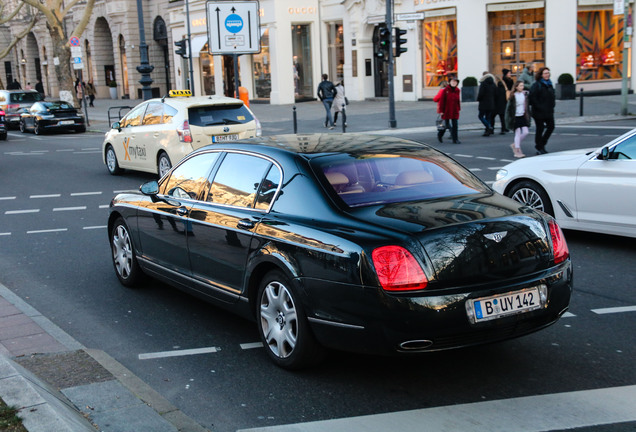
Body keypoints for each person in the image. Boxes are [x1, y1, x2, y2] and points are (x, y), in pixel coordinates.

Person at [529, 67, 556, 154]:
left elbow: (552, 96)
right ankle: (539, 147)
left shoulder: (550, 84)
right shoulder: (537, 85)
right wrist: (539, 106)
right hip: (539, 112)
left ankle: (541, 144)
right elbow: (532, 98)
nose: (547, 75)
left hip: (548, 111)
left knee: (551, 126)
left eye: (548, 73)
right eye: (545, 73)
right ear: (541, 75)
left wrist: (552, 105)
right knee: (540, 129)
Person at [505, 80, 530, 158]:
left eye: (523, 85)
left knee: (526, 132)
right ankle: (517, 151)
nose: (522, 87)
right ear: (516, 87)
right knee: (518, 133)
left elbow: (526, 105)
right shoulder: (513, 96)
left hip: (522, 116)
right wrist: (508, 119)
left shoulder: (524, 95)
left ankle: (515, 145)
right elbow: (508, 109)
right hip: (515, 117)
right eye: (520, 86)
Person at [438, 76, 461, 144]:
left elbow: (458, 100)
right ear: (449, 82)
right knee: (445, 125)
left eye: (455, 82)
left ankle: (455, 139)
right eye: (452, 81)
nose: (454, 83)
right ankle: (440, 135)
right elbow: (442, 101)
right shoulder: (446, 90)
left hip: (454, 110)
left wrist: (458, 108)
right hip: (446, 110)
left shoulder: (457, 90)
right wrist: (441, 111)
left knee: (455, 125)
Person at [477, 72, 497, 136]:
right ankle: (487, 131)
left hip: (483, 103)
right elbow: (495, 93)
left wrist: (478, 99)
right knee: (488, 117)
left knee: (480, 116)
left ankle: (488, 126)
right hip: (491, 103)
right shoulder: (493, 84)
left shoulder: (483, 84)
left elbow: (481, 94)